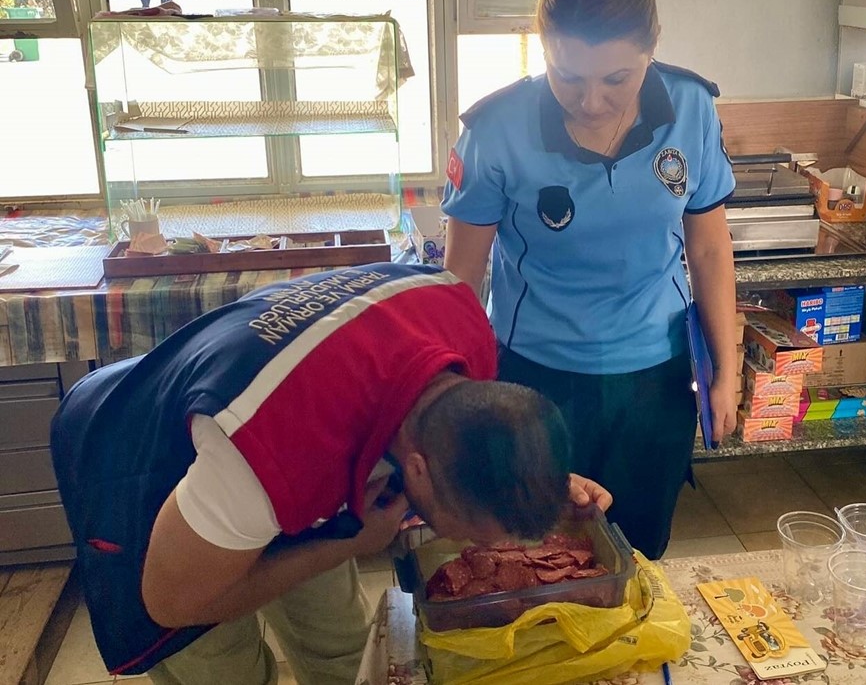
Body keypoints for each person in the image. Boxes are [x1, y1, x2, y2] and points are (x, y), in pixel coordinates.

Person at [50, 263, 611, 684]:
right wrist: (347, 545)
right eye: (458, 528)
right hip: (136, 450)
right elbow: (172, 603)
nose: (462, 545)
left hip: (273, 417)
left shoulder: (463, 327)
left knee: (340, 645)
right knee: (224, 667)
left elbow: (483, 432)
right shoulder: (267, 450)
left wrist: (536, 475)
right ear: (417, 469)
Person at [442, 0, 738, 561]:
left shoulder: (691, 109)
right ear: (543, 47)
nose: (592, 101)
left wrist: (727, 374)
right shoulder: (494, 131)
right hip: (535, 379)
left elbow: (708, 248)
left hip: (655, 378)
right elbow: (463, 279)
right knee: (536, 553)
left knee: (636, 554)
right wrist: (461, 396)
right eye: (568, 77)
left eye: (617, 79)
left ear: (652, 46)